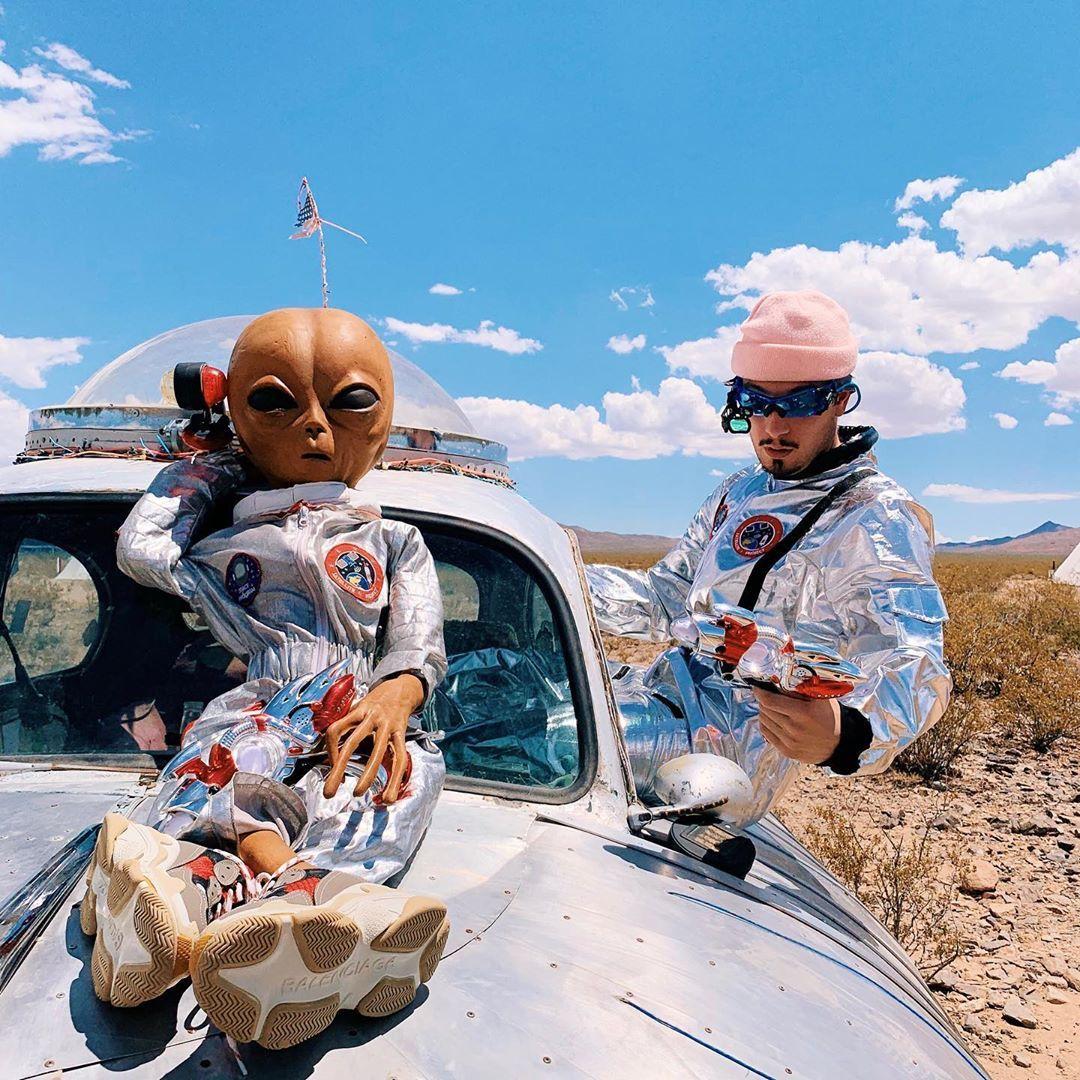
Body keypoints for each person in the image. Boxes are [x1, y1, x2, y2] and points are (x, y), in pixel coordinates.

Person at [80, 308, 449, 1050]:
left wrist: (397, 691)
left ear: (382, 420)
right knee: (226, 766)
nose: (314, 425)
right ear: (235, 414)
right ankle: (256, 899)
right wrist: (221, 459)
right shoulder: (226, 540)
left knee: (381, 786)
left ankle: (241, 902)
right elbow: (144, 549)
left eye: (349, 402)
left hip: (360, 707)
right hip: (263, 697)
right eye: (275, 402)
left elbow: (419, 641)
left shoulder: (396, 541)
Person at [587, 290, 952, 823]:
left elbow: (912, 657)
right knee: (496, 682)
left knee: (536, 734)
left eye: (800, 404)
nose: (775, 427)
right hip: (664, 692)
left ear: (840, 400)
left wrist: (849, 732)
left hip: (723, 749)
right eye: (756, 403)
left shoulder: (873, 515)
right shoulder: (740, 492)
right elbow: (667, 600)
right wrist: (558, 577)